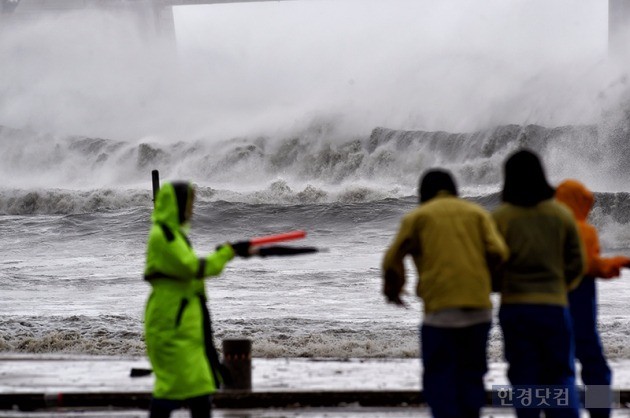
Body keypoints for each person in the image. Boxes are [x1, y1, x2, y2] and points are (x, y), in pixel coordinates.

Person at [382, 169, 509, 418]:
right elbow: (500, 253)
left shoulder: (417, 218)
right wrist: (490, 283)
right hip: (478, 310)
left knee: (440, 377)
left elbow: (391, 259)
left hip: (440, 312)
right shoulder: (478, 214)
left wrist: (394, 289)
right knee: (472, 375)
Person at [143, 181, 250, 418]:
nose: (192, 210)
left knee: (198, 388)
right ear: (177, 205)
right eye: (189, 204)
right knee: (173, 390)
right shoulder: (165, 236)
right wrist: (227, 253)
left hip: (182, 322)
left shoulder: (175, 236)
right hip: (172, 322)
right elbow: (193, 267)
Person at [492, 150, 585, 418]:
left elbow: (489, 262)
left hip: (515, 308)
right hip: (553, 306)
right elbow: (577, 262)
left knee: (524, 377)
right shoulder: (561, 215)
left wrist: (501, 285)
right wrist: (560, 286)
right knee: (559, 375)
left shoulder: (500, 218)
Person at [556, 179, 630, 418]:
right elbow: (592, 265)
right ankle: (599, 410)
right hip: (579, 306)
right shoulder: (584, 231)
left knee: (556, 366)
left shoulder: (548, 227)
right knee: (593, 364)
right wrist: (619, 262)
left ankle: (557, 409)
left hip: (550, 306)